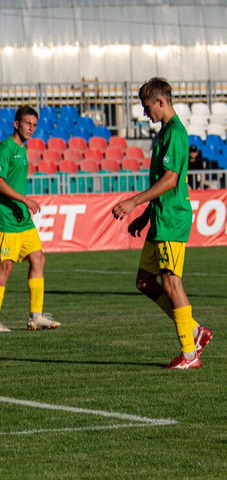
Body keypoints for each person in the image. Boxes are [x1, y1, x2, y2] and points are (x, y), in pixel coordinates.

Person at [112, 77, 213, 369]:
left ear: (161, 102)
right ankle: (194, 330)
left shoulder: (175, 134)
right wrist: (145, 216)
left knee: (171, 281)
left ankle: (189, 354)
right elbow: (162, 181)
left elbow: (170, 180)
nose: (145, 114)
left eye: (147, 107)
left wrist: (134, 202)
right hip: (159, 218)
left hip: (171, 219)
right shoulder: (166, 133)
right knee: (145, 281)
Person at [0, 106, 61, 333]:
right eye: (27, 123)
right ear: (16, 124)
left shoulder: (22, 149)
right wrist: (26, 201)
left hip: (21, 219)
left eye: (34, 125)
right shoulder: (6, 148)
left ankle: (35, 316)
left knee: (38, 259)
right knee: (5, 266)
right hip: (5, 218)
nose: (31, 128)